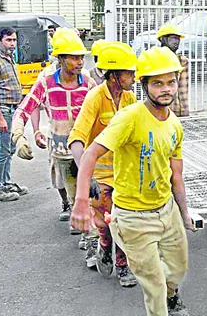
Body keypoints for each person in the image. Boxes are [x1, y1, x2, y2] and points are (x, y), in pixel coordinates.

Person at [71, 46, 197, 316]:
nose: (166, 89)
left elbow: (176, 175)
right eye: (158, 83)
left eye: (171, 82)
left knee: (177, 270)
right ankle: (110, 252)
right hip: (133, 215)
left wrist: (184, 213)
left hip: (166, 210)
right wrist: (81, 201)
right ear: (145, 85)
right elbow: (89, 150)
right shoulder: (127, 117)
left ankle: (171, 295)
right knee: (153, 286)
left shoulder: (174, 124)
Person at [68, 42, 138, 285]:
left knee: (124, 222)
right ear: (115, 75)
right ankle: (104, 244)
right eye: (129, 72)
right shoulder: (95, 98)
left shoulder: (130, 98)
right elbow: (76, 138)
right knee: (108, 224)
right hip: (102, 175)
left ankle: (122, 265)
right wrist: (88, 178)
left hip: (125, 174)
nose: (134, 77)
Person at [11, 28, 94, 221]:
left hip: (84, 146)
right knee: (64, 184)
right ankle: (72, 211)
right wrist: (19, 136)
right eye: (74, 58)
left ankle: (86, 231)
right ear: (61, 59)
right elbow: (23, 109)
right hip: (60, 146)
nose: (80, 62)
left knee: (87, 188)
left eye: (81, 58)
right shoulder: (47, 82)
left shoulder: (88, 82)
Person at [0, 27, 28, 202]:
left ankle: (5, 182)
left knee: (9, 149)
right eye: (8, 40)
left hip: (13, 110)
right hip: (3, 110)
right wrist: (0, 117)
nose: (12, 43)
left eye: (14, 40)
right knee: (2, 151)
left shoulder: (10, 59)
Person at [157, 24, 189, 117]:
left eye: (177, 39)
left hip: (177, 110)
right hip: (160, 110)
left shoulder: (182, 61)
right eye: (172, 39)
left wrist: (185, 112)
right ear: (162, 40)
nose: (176, 42)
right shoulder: (154, 60)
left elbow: (183, 90)